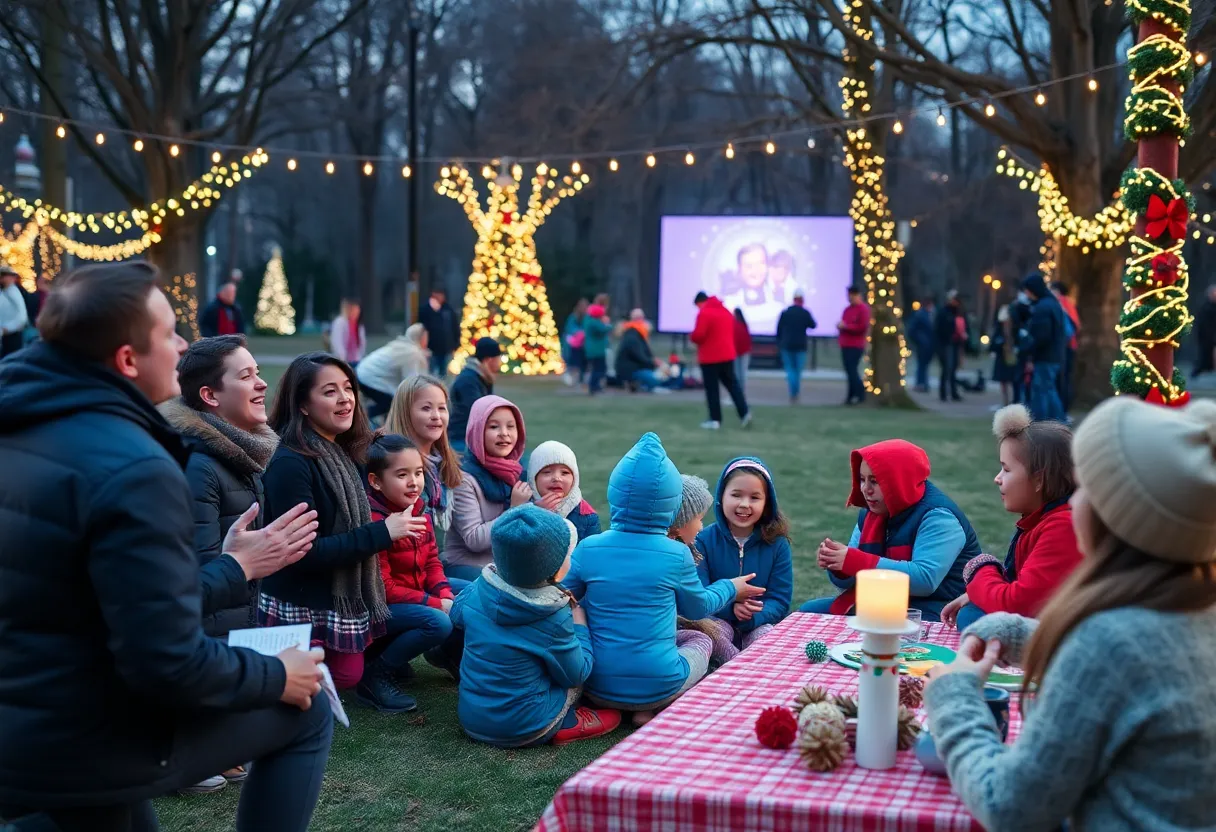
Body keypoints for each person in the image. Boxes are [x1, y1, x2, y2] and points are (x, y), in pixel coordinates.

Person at [0, 262, 334, 832]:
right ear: (128, 361)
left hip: (27, 722)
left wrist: (232, 566)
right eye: (169, 334)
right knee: (309, 711)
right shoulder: (133, 464)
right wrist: (279, 675)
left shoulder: (21, 423)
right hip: (79, 738)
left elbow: (93, 602)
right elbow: (168, 664)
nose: (183, 344)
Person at [924, 396, 1216, 832]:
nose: (1072, 500)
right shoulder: (1191, 608)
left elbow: (1009, 805)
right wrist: (1019, 633)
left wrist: (954, 701)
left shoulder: (1110, 642)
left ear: (1114, 518)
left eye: (1085, 488)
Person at [160, 334, 293, 793]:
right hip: (202, 634)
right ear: (210, 397)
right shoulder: (200, 464)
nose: (261, 384)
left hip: (234, 621)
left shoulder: (241, 454)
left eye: (258, 372)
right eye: (246, 375)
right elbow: (195, 577)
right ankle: (189, 740)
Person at [563, 433, 765, 726]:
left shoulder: (589, 548)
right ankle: (651, 707)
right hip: (660, 685)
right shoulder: (676, 554)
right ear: (670, 503)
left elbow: (566, 598)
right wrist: (730, 587)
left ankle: (636, 710)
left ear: (615, 492)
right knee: (698, 638)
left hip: (597, 687)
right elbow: (697, 609)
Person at [259, 352, 418, 710]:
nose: (346, 398)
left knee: (348, 675)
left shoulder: (342, 452)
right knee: (342, 677)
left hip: (336, 594)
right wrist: (383, 533)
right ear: (302, 404)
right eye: (330, 392)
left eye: (348, 388)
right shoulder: (290, 463)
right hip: (300, 598)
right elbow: (304, 553)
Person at [452, 505, 622, 747]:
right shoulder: (553, 616)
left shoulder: (479, 589)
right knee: (577, 682)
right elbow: (576, 674)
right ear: (553, 568)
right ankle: (566, 723)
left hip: (472, 719)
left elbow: (456, 615)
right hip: (526, 726)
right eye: (567, 553)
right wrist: (581, 625)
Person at [800, 439, 981, 621]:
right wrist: (838, 565)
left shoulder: (938, 516)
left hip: (941, 608)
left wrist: (856, 561)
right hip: (887, 601)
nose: (865, 489)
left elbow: (925, 580)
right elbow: (851, 577)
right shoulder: (872, 512)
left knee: (882, 627)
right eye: (862, 479)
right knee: (808, 613)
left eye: (875, 481)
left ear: (899, 481)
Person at [941, 404, 1082, 632]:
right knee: (972, 614)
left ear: (1039, 480)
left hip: (1062, 635)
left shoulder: (1063, 526)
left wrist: (980, 567)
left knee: (977, 620)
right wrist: (977, 595)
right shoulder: (1041, 521)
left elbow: (1015, 604)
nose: (998, 478)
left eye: (1006, 470)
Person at [363, 434, 454, 709]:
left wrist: (445, 593)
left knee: (471, 593)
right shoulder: (375, 522)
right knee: (439, 622)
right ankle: (375, 673)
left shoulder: (419, 512)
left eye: (418, 472)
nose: (414, 481)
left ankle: (453, 657)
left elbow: (432, 563)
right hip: (380, 610)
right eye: (402, 474)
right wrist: (436, 604)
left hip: (414, 596)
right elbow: (385, 589)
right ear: (376, 481)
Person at [693, 458, 793, 664]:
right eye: (736, 495)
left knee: (767, 637)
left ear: (767, 504)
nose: (744, 504)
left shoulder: (777, 545)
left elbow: (780, 599)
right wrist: (730, 609)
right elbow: (699, 593)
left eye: (755, 497)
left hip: (758, 621)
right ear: (722, 496)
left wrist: (753, 616)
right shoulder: (703, 540)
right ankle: (737, 664)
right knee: (709, 635)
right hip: (716, 619)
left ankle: (743, 664)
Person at [442, 395, 529, 582]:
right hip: (467, 566)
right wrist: (514, 510)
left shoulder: (518, 472)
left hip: (505, 565)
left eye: (510, 426)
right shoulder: (464, 480)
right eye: (493, 426)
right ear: (477, 431)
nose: (504, 433)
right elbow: (475, 540)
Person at [385, 374, 464, 532]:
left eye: (441, 408)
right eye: (426, 408)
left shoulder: (443, 463)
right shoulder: (392, 465)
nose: (436, 416)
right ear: (405, 413)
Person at [690, 291, 750, 430]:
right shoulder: (726, 312)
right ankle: (744, 413)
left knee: (712, 389)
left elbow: (699, 335)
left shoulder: (704, 313)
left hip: (710, 357)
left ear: (700, 302)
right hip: (727, 355)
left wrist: (692, 337)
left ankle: (715, 419)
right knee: (733, 385)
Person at [527, 440, 601, 541]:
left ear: (575, 479)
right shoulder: (522, 507)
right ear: (533, 479)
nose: (557, 478)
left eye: (565, 473)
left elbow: (592, 554)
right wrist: (536, 514)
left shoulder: (587, 516)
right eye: (547, 472)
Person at [1019, 274, 1068, 423]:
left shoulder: (1042, 308)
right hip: (1054, 355)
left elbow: (1041, 336)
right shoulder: (1052, 304)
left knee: (1042, 390)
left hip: (1044, 356)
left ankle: (1042, 422)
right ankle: (1058, 420)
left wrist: (1030, 352)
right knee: (1049, 389)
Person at [357, 323, 429, 421]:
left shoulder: (404, 345)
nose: (427, 341)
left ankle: (376, 423)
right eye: (426, 337)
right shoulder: (412, 352)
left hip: (363, 372)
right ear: (421, 338)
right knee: (393, 404)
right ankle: (359, 419)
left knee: (390, 403)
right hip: (369, 377)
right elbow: (411, 381)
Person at [448, 336, 501, 452]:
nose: (500, 362)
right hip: (461, 439)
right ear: (488, 360)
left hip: (475, 436)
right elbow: (478, 410)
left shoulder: (481, 376)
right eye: (499, 358)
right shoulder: (468, 380)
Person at [776, 289, 818, 403]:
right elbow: (813, 325)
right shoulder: (805, 313)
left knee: (790, 370)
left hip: (787, 345)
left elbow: (778, 330)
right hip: (801, 345)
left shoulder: (785, 313)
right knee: (798, 370)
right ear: (802, 300)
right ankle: (796, 392)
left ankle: (792, 392)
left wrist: (780, 342)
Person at [613, 309, 665, 393]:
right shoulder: (632, 336)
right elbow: (640, 357)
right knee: (656, 379)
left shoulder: (637, 334)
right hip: (631, 370)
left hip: (636, 367)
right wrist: (653, 362)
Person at [837, 286, 870, 406]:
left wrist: (847, 327)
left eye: (852, 295)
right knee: (849, 371)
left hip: (856, 344)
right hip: (845, 343)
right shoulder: (847, 310)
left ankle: (860, 393)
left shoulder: (863, 309)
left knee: (852, 370)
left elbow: (862, 327)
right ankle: (851, 396)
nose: (850, 297)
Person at [1051, 281, 1080, 411]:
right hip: (1070, 345)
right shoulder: (1069, 303)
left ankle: (1062, 409)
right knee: (1065, 378)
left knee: (1061, 379)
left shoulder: (1061, 302)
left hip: (1064, 346)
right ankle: (1063, 408)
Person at [418, 288, 460, 377]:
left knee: (443, 373)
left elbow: (454, 327)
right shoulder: (425, 310)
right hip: (430, 348)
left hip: (445, 347)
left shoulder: (448, 309)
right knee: (430, 373)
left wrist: (456, 343)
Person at [934, 291, 965, 402]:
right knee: (946, 368)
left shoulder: (957, 313)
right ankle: (943, 393)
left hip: (955, 343)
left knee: (953, 369)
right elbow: (939, 328)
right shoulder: (944, 312)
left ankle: (953, 392)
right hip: (945, 344)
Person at [989, 305, 1018, 407]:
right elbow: (993, 344)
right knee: (1003, 381)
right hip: (1002, 356)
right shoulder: (999, 328)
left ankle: (1013, 400)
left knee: (1013, 381)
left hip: (1012, 356)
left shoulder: (1015, 328)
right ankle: (1005, 401)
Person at [906, 298, 936, 393]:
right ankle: (921, 383)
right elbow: (912, 330)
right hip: (923, 344)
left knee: (924, 365)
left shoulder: (928, 315)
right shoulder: (920, 315)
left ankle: (923, 383)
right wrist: (921, 340)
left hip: (928, 344)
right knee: (922, 365)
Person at [583, 302, 613, 395]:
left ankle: (595, 386)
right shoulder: (595, 322)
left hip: (591, 350)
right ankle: (594, 387)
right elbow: (604, 329)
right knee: (599, 369)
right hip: (597, 350)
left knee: (596, 368)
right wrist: (608, 324)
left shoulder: (588, 320)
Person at [0, 264, 29, 358]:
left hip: (12, 335)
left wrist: (7, 328)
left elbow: (22, 316)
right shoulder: (4, 292)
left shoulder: (14, 292)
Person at [330, 298, 366, 366]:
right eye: (354, 309)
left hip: (356, 360)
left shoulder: (359, 325)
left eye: (357, 309)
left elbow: (361, 344)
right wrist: (342, 359)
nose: (356, 312)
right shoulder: (340, 322)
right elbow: (337, 342)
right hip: (342, 361)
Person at [562, 298, 588, 386]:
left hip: (583, 345)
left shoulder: (587, 318)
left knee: (583, 364)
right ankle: (573, 380)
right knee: (573, 364)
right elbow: (569, 329)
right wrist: (578, 333)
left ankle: (581, 379)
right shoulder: (573, 317)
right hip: (573, 345)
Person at [1192, 284, 1216, 378]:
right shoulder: (1205, 308)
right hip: (1207, 337)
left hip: (1212, 337)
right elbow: (1202, 325)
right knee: (1204, 357)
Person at [732, 307, 752, 390]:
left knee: (737, 373)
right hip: (744, 352)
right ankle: (741, 391)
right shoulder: (744, 325)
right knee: (741, 373)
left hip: (737, 352)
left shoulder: (735, 325)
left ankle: (738, 391)